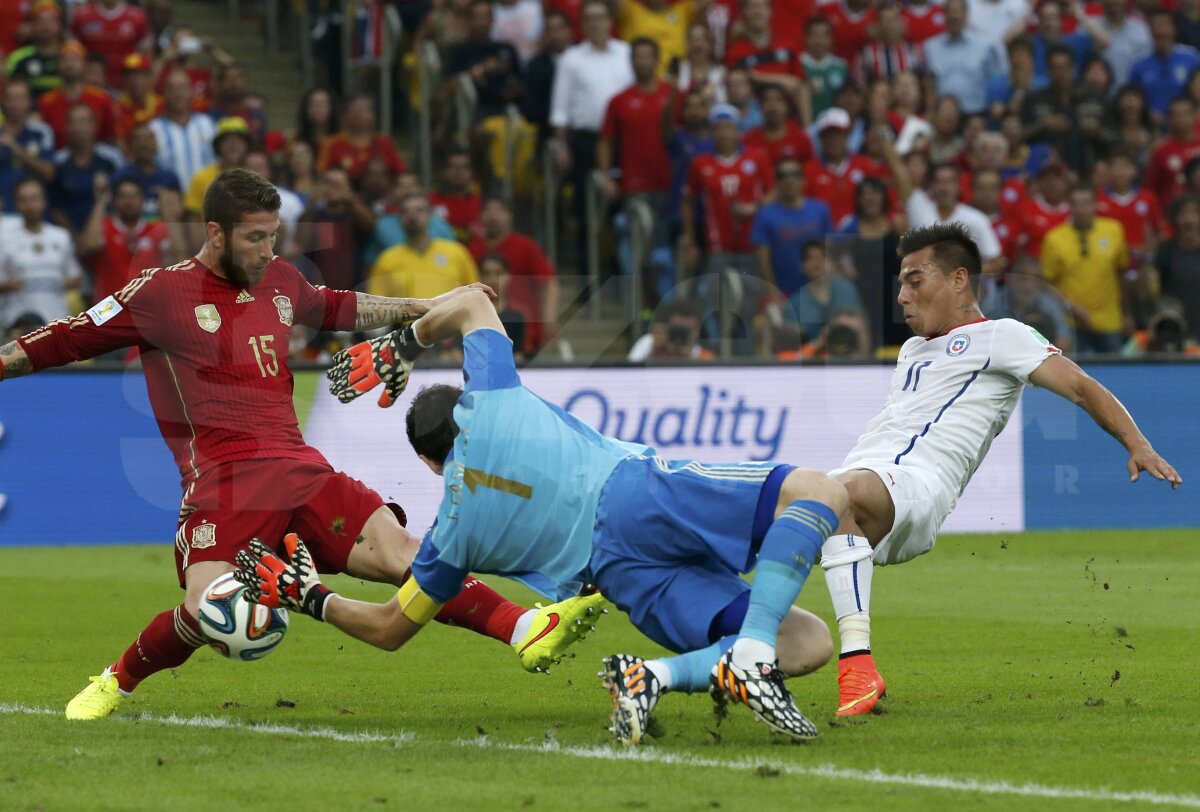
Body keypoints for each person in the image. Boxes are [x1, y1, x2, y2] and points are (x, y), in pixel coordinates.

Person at [0, 169, 597, 721]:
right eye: (255, 238)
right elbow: (58, 342)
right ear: (215, 233)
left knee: (402, 553)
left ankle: (524, 628)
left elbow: (339, 306)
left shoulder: (281, 279)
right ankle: (117, 679)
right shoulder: (158, 294)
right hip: (224, 480)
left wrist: (432, 306)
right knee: (211, 610)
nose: (269, 251)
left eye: (274, 236)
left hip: (301, 467)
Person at [237, 286, 850, 744]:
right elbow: (476, 301)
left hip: (616, 572)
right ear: (465, 401)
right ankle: (743, 661)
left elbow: (389, 629)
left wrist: (313, 596)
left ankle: (655, 677)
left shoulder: (452, 537)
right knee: (820, 494)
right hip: (639, 499)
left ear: (428, 463)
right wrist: (404, 343)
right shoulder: (493, 396)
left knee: (803, 642)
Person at [815, 222, 1180, 718]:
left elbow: (1080, 386)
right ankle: (739, 657)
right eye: (900, 284)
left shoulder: (1002, 336)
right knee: (772, 507)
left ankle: (857, 666)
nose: (901, 296)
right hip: (868, 476)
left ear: (959, 279)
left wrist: (1136, 443)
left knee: (837, 493)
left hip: (917, 490)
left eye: (914, 280)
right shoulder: (912, 350)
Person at [467, 197, 559, 355]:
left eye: (500, 210)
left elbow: (548, 284)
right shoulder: (472, 249)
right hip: (483, 329)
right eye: (488, 210)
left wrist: (549, 321)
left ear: (510, 216)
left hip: (526, 330)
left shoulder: (526, 246)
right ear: (480, 216)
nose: (493, 215)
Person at [79, 176, 185, 303]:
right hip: (109, 311)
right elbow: (88, 245)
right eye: (122, 196)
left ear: (143, 200)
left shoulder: (155, 230)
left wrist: (168, 215)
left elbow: (180, 260)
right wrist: (101, 202)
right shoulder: (104, 228)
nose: (128, 201)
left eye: (134, 196)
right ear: (114, 200)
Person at [0, 177, 84, 329]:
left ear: (44, 201)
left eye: (34, 199)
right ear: (16, 204)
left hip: (55, 322)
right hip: (16, 324)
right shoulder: (4, 238)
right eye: (23, 200)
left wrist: (55, 282)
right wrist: (9, 286)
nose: (30, 205)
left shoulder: (61, 236)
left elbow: (75, 277)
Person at [368, 193, 480, 300]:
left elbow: (475, 295)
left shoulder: (456, 253)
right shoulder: (387, 259)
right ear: (399, 218)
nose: (412, 215)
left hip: (450, 319)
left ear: (430, 215)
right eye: (405, 211)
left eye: (419, 210)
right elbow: (378, 306)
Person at [750, 156, 832, 301]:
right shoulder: (765, 215)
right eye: (783, 175)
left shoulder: (820, 209)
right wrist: (774, 295)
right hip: (785, 295)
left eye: (795, 174)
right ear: (776, 182)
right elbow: (764, 263)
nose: (789, 180)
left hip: (819, 290)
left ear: (803, 180)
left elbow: (830, 251)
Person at [48, 104, 125, 235]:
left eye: (83, 121)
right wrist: (75, 237)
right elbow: (54, 206)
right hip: (69, 233)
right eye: (73, 122)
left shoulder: (112, 157)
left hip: (107, 231)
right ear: (66, 127)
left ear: (94, 125)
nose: (78, 128)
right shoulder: (57, 161)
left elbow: (122, 196)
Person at [924, 0, 1009, 117]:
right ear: (944, 15)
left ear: (967, 14)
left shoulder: (984, 46)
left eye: (959, 11)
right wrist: (931, 110)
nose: (954, 16)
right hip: (944, 116)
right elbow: (929, 85)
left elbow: (997, 78)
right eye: (951, 12)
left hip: (976, 114)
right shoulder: (931, 47)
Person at [37, 40, 118, 148]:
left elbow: (112, 137)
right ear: (58, 65)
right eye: (65, 59)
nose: (70, 64)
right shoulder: (46, 102)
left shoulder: (102, 99)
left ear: (84, 64)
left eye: (75, 59)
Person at [148, 68, 216, 191]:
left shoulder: (207, 124)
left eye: (182, 88)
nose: (177, 93)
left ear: (191, 91)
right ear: (163, 94)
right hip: (171, 200)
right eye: (171, 89)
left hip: (206, 200)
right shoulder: (153, 128)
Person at [787, 241, 864, 342]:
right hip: (812, 356)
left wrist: (864, 357)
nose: (817, 264)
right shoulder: (795, 303)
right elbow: (791, 344)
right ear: (803, 266)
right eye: (811, 259)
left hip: (850, 354)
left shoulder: (847, 289)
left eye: (822, 257)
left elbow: (863, 330)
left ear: (832, 262)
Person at [1130, 11, 1200, 119]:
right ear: (1150, 30)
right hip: (1152, 126)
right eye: (1156, 26)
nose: (1161, 31)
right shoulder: (1138, 65)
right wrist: (1148, 115)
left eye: (1165, 25)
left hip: (1188, 125)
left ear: (1174, 29)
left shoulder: (1192, 58)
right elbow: (1134, 98)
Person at [0, 78, 56, 213]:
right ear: (3, 102)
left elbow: (49, 172)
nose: (14, 104)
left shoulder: (41, 132)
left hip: (35, 215)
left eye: (19, 98)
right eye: (10, 98)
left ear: (29, 102)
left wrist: (16, 149)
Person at [70, 0, 151, 88]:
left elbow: (146, 56)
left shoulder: (137, 17)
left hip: (125, 88)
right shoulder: (82, 16)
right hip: (91, 86)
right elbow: (74, 52)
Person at [110, 124, 182, 218]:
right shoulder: (120, 177)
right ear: (130, 146)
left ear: (157, 144)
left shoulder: (170, 178)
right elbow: (111, 213)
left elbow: (179, 212)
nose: (143, 144)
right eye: (138, 139)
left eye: (148, 139)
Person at [1143, 96, 1200, 210]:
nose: (1181, 119)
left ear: (1194, 115)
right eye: (1175, 115)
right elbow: (1150, 189)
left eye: (1185, 114)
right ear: (1169, 119)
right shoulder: (1160, 150)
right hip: (1170, 214)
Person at [626, 298, 715, 361]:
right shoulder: (649, 343)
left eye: (686, 330)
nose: (680, 334)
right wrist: (653, 353)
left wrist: (688, 357)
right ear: (666, 326)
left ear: (697, 331)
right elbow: (628, 377)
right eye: (676, 329)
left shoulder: (704, 357)